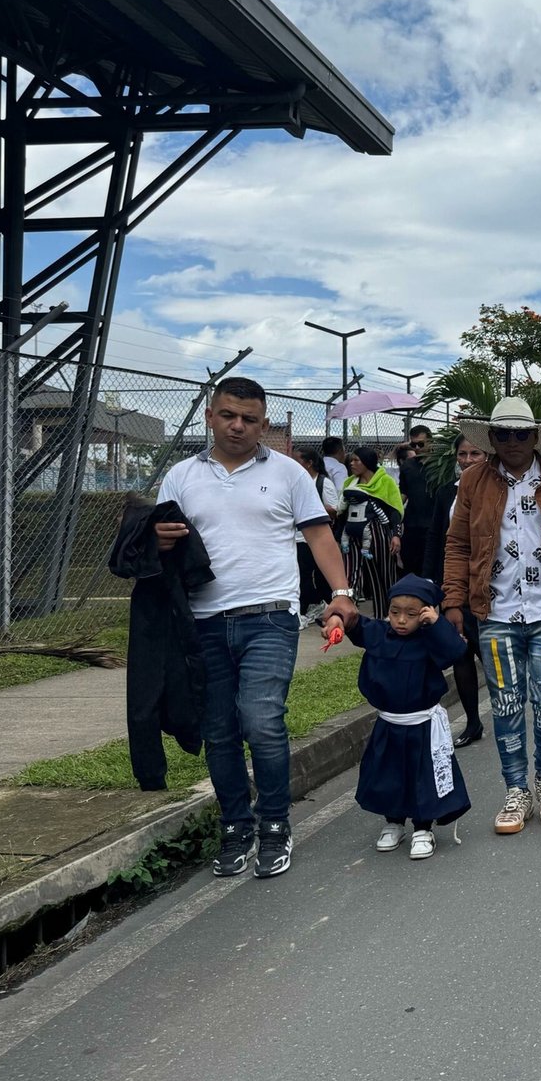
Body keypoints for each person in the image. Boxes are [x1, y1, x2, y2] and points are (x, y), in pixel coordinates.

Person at [156, 377, 358, 879]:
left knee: (261, 719)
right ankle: (235, 828)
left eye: (250, 419)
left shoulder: (288, 472)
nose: (238, 426)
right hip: (203, 621)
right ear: (210, 416)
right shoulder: (181, 476)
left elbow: (318, 535)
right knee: (219, 730)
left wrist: (341, 594)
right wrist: (157, 537)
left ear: (263, 423)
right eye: (228, 415)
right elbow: (158, 545)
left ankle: (274, 824)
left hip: (270, 615)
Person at [442, 397, 541, 834]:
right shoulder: (472, 481)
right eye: (504, 434)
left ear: (535, 437)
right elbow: (457, 545)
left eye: (521, 434)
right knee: (507, 704)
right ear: (491, 438)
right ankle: (516, 789)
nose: (512, 442)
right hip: (494, 612)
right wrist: (453, 602)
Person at [347, 574, 472, 860]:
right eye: (395, 612)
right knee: (387, 773)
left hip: (421, 723)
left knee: (422, 775)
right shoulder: (379, 633)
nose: (401, 620)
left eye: (412, 614)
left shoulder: (430, 639)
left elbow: (456, 651)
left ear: (425, 613)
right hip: (389, 722)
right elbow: (355, 624)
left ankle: (423, 826)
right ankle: (393, 822)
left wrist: (437, 623)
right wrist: (337, 620)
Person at [423, 433, 488, 749]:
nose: (467, 460)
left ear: (487, 457)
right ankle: (473, 722)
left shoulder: (496, 491)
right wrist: (429, 583)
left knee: (491, 654)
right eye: (462, 454)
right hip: (454, 587)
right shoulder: (447, 493)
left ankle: (508, 717)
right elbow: (436, 538)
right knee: (461, 653)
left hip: (490, 589)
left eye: (475, 454)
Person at [341, 447, 404, 611]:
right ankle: (347, 610)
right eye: (351, 460)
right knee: (351, 572)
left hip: (378, 533)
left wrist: (396, 535)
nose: (352, 463)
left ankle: (387, 614)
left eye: (356, 460)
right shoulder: (350, 483)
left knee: (383, 574)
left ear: (367, 462)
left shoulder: (385, 482)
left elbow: (394, 510)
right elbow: (343, 510)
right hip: (353, 533)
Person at [294, 446, 342, 625]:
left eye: (298, 460)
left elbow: (334, 509)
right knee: (302, 574)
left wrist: (311, 509)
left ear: (309, 463)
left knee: (315, 576)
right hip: (298, 538)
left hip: (313, 537)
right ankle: (311, 606)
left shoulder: (323, 482)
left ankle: (318, 606)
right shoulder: (297, 481)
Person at [396, 425, 435, 576]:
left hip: (434, 523)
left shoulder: (441, 465)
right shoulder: (407, 466)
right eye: (413, 445)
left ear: (430, 442)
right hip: (413, 524)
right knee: (411, 564)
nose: (417, 448)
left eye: (421, 444)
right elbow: (403, 493)